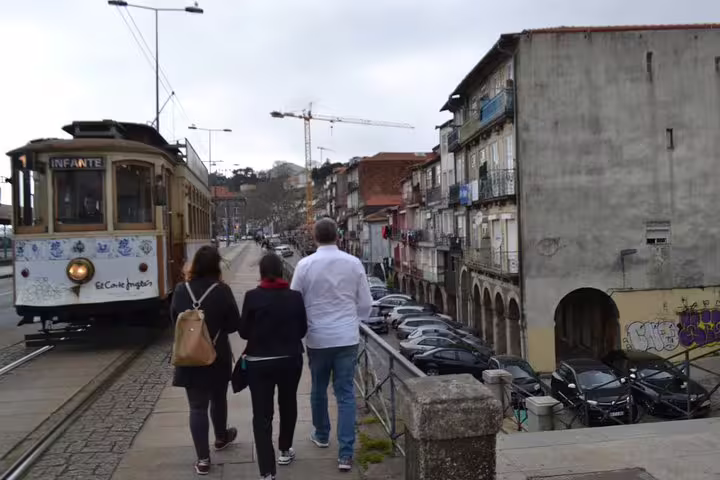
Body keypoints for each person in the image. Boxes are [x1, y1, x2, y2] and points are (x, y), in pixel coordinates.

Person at [290, 218, 372, 472]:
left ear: (314, 238)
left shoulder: (304, 265)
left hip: (317, 338)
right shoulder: (353, 263)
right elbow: (366, 304)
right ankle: (346, 454)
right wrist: (351, 321)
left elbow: (294, 301)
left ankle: (322, 434)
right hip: (347, 337)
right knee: (346, 393)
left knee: (318, 388)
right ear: (338, 236)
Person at [171, 246, 241, 476]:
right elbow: (233, 325)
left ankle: (203, 459)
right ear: (216, 266)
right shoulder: (222, 290)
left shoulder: (181, 290)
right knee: (218, 398)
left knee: (197, 407)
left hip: (189, 354)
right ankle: (221, 437)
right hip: (217, 354)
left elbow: (175, 319)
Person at [240, 253, 307, 480]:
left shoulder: (251, 297)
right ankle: (285, 450)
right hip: (290, 359)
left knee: (262, 415)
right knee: (288, 403)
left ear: (261, 272)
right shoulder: (295, 297)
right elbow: (302, 331)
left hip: (259, 363)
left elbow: (243, 332)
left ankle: (267, 471)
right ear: (280, 271)